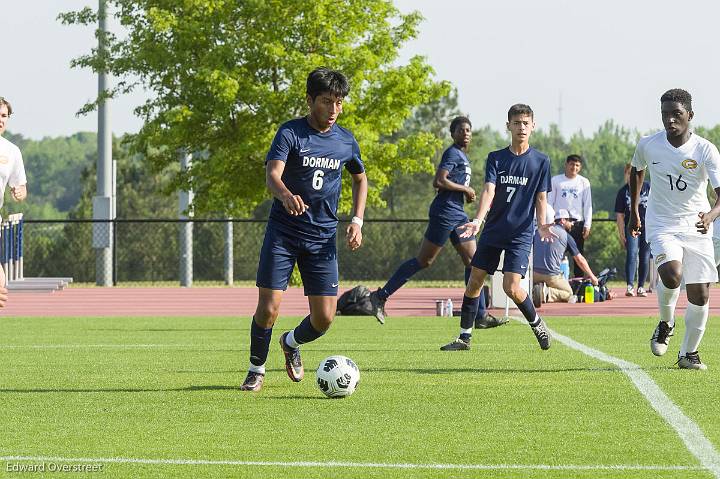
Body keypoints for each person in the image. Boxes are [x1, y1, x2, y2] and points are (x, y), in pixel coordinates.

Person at [240, 68, 368, 391]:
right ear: (310, 100)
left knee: (325, 318)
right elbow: (272, 175)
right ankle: (256, 369)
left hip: (323, 238)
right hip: (284, 233)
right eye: (327, 101)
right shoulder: (290, 133)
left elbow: (360, 177)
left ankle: (291, 342)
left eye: (339, 103)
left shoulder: (345, 141)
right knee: (268, 307)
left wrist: (357, 220)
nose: (334, 110)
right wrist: (285, 195)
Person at [368, 117, 505, 329]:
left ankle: (479, 316)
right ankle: (380, 296)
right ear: (453, 134)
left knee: (475, 261)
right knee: (424, 261)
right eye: (461, 130)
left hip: (456, 213)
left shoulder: (461, 155)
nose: (466, 133)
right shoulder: (452, 152)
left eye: (469, 130)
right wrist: (466, 189)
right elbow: (439, 180)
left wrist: (463, 194)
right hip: (444, 212)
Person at [440, 103, 556, 351]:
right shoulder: (496, 158)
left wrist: (543, 224)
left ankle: (537, 324)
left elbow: (541, 197)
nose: (521, 127)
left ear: (533, 126)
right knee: (475, 280)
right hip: (493, 231)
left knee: (511, 287)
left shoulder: (541, 161)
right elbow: (488, 190)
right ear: (508, 126)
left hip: (520, 235)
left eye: (526, 123)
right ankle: (464, 338)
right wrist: (478, 220)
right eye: (516, 123)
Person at [631, 88, 720, 370]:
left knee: (700, 294)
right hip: (661, 224)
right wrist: (634, 210)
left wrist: (711, 216)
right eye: (665, 115)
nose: (670, 120)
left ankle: (688, 354)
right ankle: (666, 322)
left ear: (690, 116)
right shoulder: (649, 144)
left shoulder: (705, 149)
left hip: (697, 226)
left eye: (676, 114)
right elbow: (636, 169)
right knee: (671, 274)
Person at [532, 208, 598, 305]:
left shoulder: (539, 231)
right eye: (569, 220)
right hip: (552, 275)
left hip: (534, 274)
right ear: (562, 220)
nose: (572, 223)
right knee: (569, 293)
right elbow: (580, 259)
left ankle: (532, 291)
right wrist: (592, 277)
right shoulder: (566, 236)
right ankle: (546, 293)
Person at [0, 97, 28, 307]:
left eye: (4, 116)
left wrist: (19, 192)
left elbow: (22, 187)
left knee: (1, 284)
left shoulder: (11, 151)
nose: (1, 120)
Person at [549, 154, 592, 277]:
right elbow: (549, 202)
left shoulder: (584, 182)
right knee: (557, 255)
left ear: (580, 167)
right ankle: (555, 282)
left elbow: (588, 205)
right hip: (558, 224)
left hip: (577, 224)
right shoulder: (556, 180)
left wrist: (587, 224)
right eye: (572, 164)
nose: (574, 167)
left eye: (577, 165)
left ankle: (578, 286)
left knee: (578, 256)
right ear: (566, 164)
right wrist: (550, 221)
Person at [614, 163, 651, 297]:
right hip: (632, 228)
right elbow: (619, 215)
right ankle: (630, 285)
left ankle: (641, 286)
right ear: (625, 175)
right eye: (629, 174)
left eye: (634, 174)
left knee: (645, 256)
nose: (632, 176)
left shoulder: (648, 188)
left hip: (648, 228)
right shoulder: (623, 192)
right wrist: (621, 233)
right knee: (632, 254)